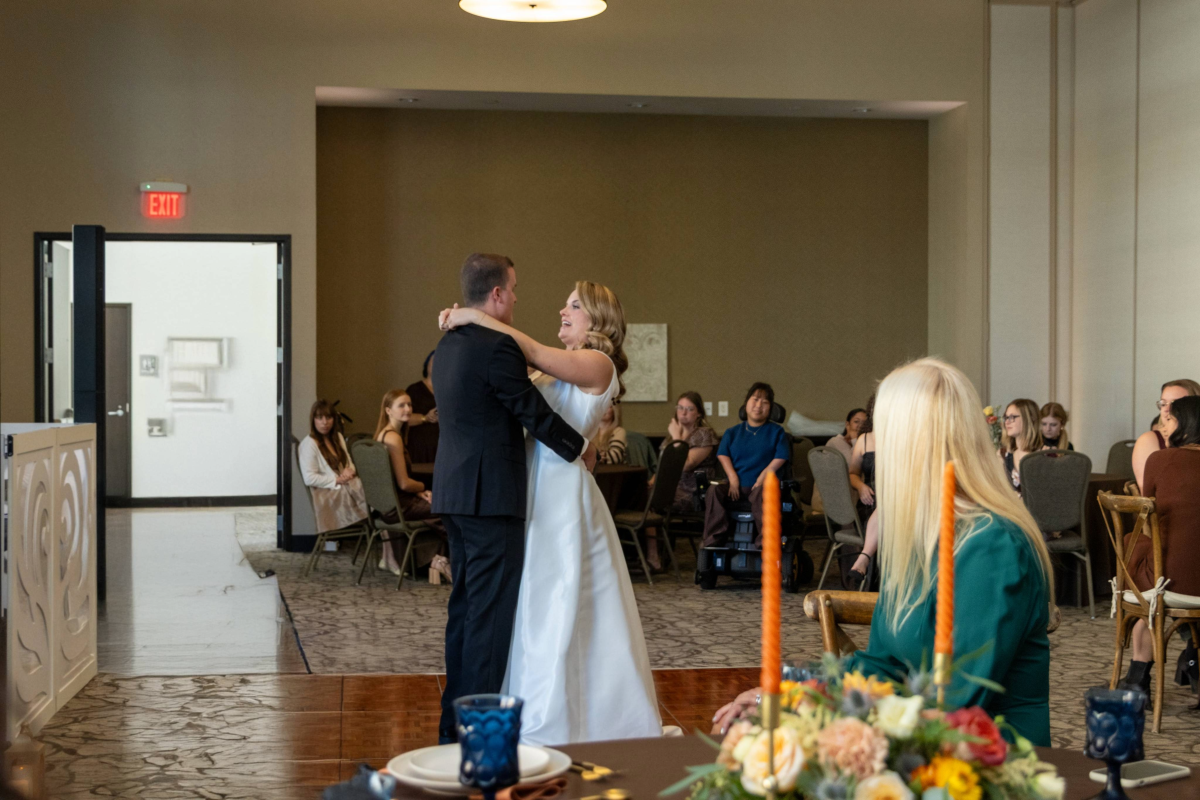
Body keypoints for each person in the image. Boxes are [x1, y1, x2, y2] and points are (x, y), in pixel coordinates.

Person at [712, 358, 1055, 746]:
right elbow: (881, 665)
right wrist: (781, 697)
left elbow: (953, 707)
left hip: (987, 770)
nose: (876, 445)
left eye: (884, 432)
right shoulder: (918, 533)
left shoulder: (992, 545)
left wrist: (807, 714)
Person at [439, 278, 662, 745]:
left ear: (598, 319)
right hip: (531, 484)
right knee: (528, 605)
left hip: (561, 495)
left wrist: (477, 317)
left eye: (574, 305)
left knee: (557, 600)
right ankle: (523, 703)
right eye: (565, 302)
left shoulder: (597, 363)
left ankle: (557, 718)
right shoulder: (563, 367)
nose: (563, 309)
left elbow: (535, 354)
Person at [431, 254, 598, 745]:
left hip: (456, 493)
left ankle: (450, 730)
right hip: (491, 499)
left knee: (464, 614)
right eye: (515, 288)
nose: (519, 298)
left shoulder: (448, 344)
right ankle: (475, 740)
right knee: (487, 621)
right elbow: (531, 413)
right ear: (497, 295)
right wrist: (581, 449)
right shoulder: (497, 346)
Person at [1119, 395, 1200, 694]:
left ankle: (1138, 677)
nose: (1162, 426)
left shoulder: (1160, 460)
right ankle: (1192, 660)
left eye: (1168, 419)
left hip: (1171, 582)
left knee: (1137, 551)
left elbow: (1148, 505)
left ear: (1184, 424)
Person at [701, 383, 790, 548]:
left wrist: (763, 476)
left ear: (770, 408)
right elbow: (722, 454)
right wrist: (733, 478)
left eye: (765, 402)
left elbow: (781, 456)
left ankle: (765, 544)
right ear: (746, 404)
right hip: (735, 487)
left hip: (761, 487)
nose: (758, 405)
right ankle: (712, 542)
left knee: (763, 491)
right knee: (713, 491)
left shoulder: (776, 432)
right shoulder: (732, 432)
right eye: (755, 400)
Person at [374, 389, 448, 576]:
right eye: (401, 405)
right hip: (399, 507)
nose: (407, 409)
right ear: (388, 410)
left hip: (388, 506)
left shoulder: (382, 434)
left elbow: (397, 482)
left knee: (437, 505)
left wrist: (419, 493)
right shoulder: (393, 438)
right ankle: (441, 563)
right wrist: (424, 488)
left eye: (409, 404)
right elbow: (404, 484)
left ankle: (434, 562)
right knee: (447, 509)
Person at [298, 399, 369, 534]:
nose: (325, 422)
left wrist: (350, 471)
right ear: (313, 420)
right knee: (374, 498)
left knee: (371, 488)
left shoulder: (338, 437)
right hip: (328, 492)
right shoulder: (309, 444)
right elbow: (309, 478)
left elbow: (349, 463)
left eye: (328, 417)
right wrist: (337, 480)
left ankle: (382, 521)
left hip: (346, 484)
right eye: (320, 418)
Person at [654, 391, 721, 513]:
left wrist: (676, 437)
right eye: (680, 408)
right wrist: (651, 482)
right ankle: (652, 531)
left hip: (695, 492)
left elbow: (686, 465)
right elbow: (663, 467)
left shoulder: (704, 434)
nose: (683, 413)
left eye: (689, 409)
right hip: (671, 489)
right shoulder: (670, 438)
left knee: (649, 498)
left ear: (699, 413)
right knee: (640, 493)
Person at [1132, 379, 1200, 490]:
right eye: (1163, 404)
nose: (1167, 410)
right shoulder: (1149, 440)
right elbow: (1149, 495)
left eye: (1175, 403)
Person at [404, 351, 440, 464]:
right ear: (427, 364)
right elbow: (404, 419)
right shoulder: (414, 390)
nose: (437, 364)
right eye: (434, 361)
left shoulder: (450, 390)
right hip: (420, 448)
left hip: (442, 447)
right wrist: (426, 418)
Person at [1000, 398, 1044, 490]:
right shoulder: (1004, 456)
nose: (1007, 422)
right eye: (1006, 417)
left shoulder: (1044, 455)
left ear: (1029, 418)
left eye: (1012, 417)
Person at [592, 399, 628, 465]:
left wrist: (594, 457)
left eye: (608, 406)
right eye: (600, 406)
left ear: (614, 411)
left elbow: (616, 456)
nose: (603, 409)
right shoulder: (589, 431)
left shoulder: (619, 431)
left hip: (611, 472)